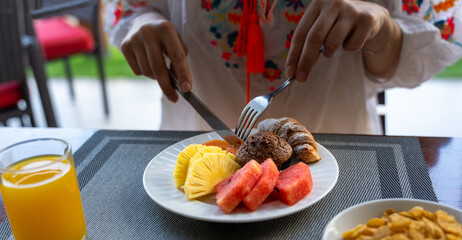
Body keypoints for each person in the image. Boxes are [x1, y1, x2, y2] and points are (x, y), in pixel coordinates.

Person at [105, 0, 461, 134]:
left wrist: (382, 29)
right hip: (195, 154)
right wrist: (141, 22)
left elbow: (399, 60)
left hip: (344, 153)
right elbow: (131, 8)